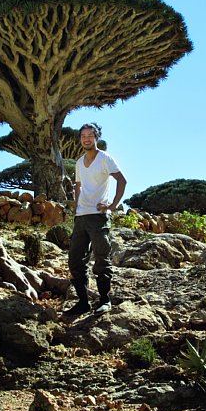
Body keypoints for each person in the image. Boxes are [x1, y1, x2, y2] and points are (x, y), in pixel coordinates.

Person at [64, 123, 126, 316]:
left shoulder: (105, 158)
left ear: (96, 138)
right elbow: (78, 185)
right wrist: (76, 204)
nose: (86, 139)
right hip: (81, 217)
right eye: (83, 136)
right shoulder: (79, 162)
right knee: (75, 261)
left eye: (90, 135)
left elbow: (122, 180)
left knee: (101, 260)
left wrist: (112, 206)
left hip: (99, 217)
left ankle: (104, 300)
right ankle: (83, 302)